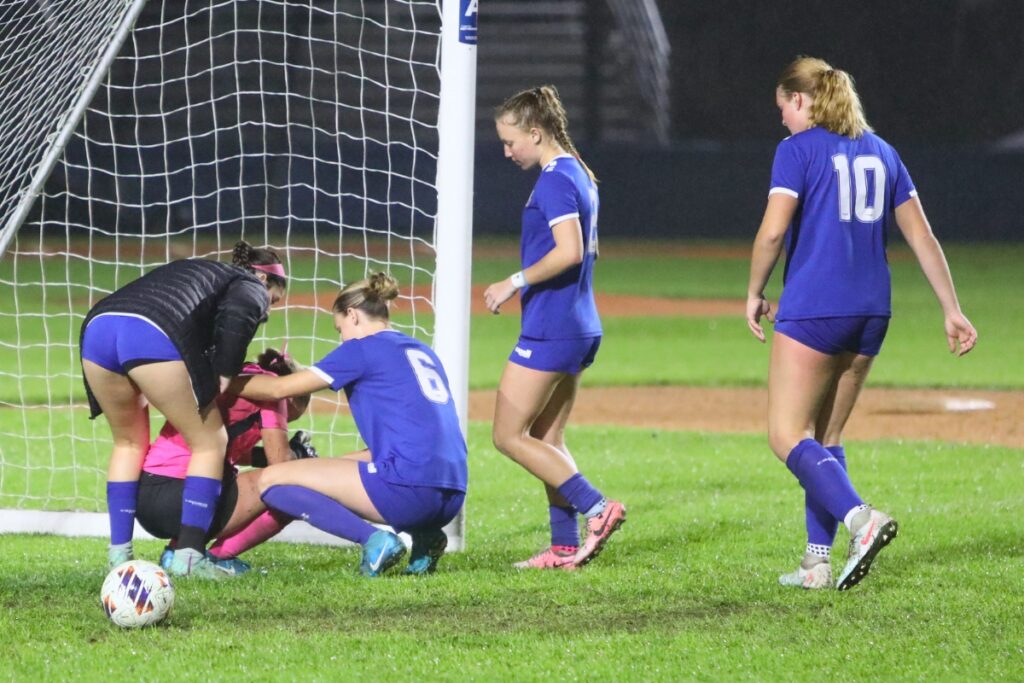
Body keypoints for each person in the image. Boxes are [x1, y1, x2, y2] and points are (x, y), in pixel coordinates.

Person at [746, 57, 978, 590]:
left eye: (783, 107)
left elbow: (772, 234)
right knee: (826, 436)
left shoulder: (796, 150)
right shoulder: (883, 151)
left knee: (786, 435)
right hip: (873, 310)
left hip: (816, 308)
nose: (781, 119)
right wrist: (951, 307)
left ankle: (860, 519)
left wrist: (756, 291)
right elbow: (922, 236)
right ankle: (815, 563)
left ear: (800, 101)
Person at [228, 272, 467, 577]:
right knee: (320, 470)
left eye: (339, 328)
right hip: (451, 495)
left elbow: (278, 390)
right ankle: (426, 537)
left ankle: (375, 540)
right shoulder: (422, 351)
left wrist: (220, 382)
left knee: (275, 480)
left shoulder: (361, 348)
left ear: (352, 315)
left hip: (409, 492)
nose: (340, 337)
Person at [80, 240, 287, 578]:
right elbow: (236, 321)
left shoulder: (203, 271)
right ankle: (189, 557)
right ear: (265, 281)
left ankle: (119, 557)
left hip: (98, 327)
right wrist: (220, 378)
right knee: (209, 441)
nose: (268, 309)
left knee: (128, 443)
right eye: (273, 300)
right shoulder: (250, 284)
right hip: (150, 331)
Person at [484, 85, 625, 571]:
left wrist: (513, 281)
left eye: (511, 142)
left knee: (506, 435)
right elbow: (591, 250)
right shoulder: (580, 174)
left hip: (553, 328)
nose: (507, 152)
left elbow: (569, 250)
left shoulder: (555, 180)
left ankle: (598, 508)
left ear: (537, 132)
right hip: (579, 324)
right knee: (547, 439)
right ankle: (564, 546)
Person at [136, 351, 316, 577]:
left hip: (146, 497)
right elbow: (280, 465)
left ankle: (177, 552)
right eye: (288, 419)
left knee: (226, 476)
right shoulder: (274, 392)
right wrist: (300, 455)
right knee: (291, 489)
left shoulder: (241, 377)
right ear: (292, 397)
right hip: (182, 498)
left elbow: (232, 450)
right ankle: (216, 557)